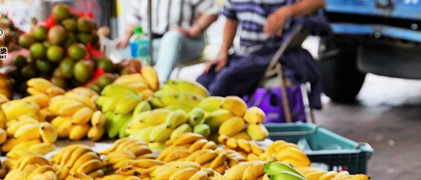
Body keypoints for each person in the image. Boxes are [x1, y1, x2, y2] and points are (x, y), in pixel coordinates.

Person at [197, 0, 327, 102]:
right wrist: (223, 54)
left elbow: (318, 2)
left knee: (224, 82)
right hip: (243, 54)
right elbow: (231, 19)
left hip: (272, 53)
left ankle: (219, 127)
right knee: (203, 82)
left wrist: (285, 12)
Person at [116, 0, 221, 84]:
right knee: (119, 49)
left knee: (171, 38)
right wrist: (124, 40)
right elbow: (134, 20)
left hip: (185, 41)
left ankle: (158, 83)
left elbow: (212, 11)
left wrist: (192, 31)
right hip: (152, 42)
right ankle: (133, 84)